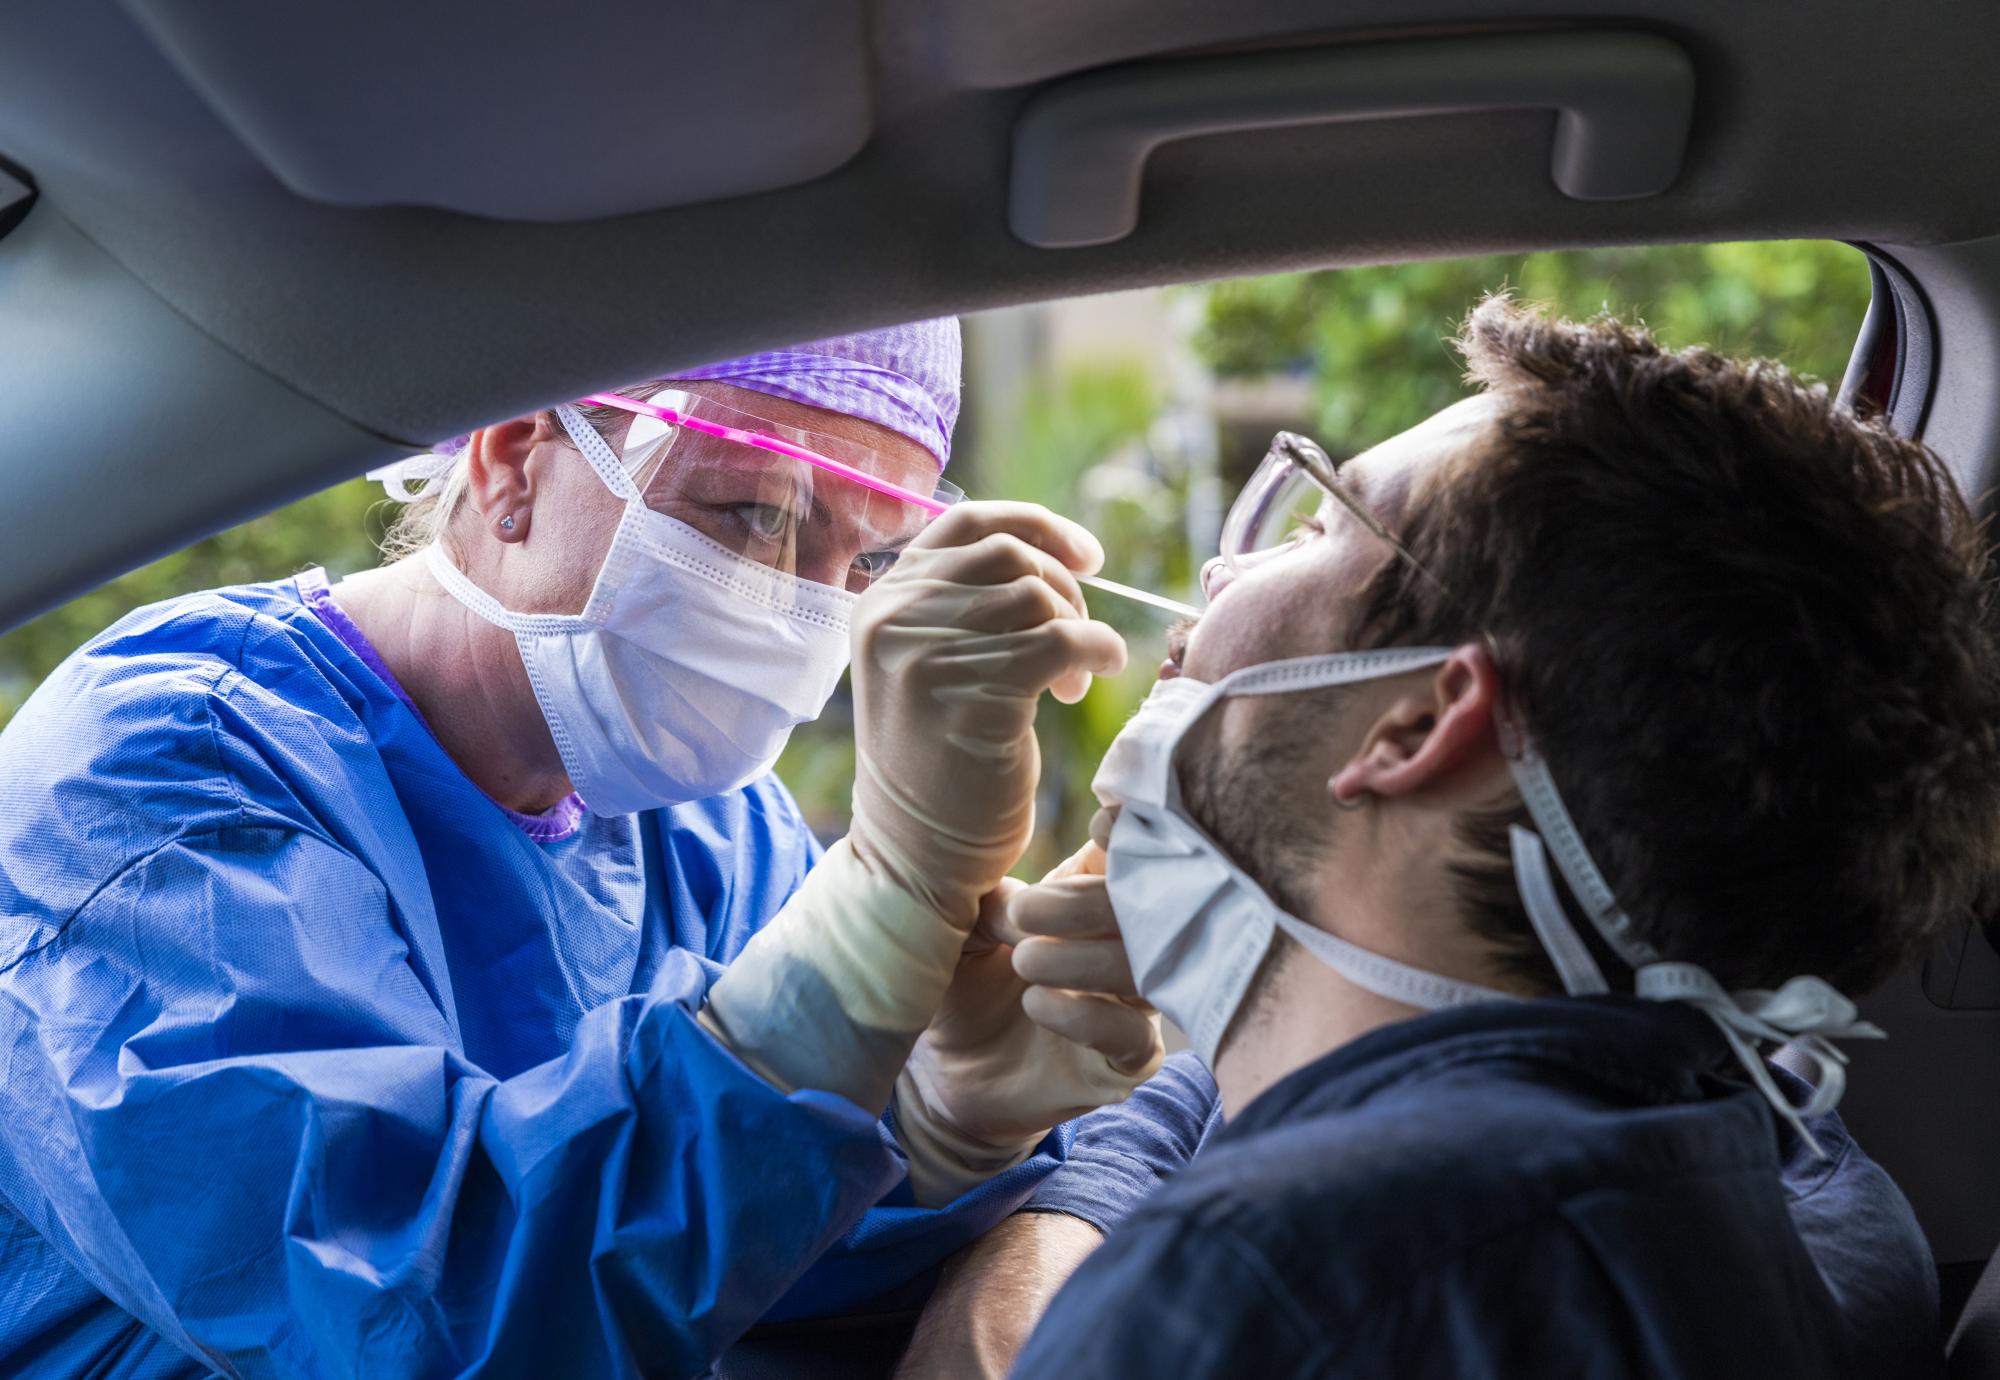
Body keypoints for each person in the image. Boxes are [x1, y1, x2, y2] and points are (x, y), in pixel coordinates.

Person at [0, 322, 1210, 1378]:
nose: (805, 606)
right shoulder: (164, 778)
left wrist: (935, 1132)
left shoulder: (708, 830)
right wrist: (868, 930)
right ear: (511, 454)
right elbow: (409, 1326)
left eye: (865, 558)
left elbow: (707, 1299)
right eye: (752, 512)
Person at [1011, 297, 2000, 1378]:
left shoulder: (1278, 1276)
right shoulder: (1717, 1192)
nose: (1217, 573)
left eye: (1312, 527)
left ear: (1422, 721)